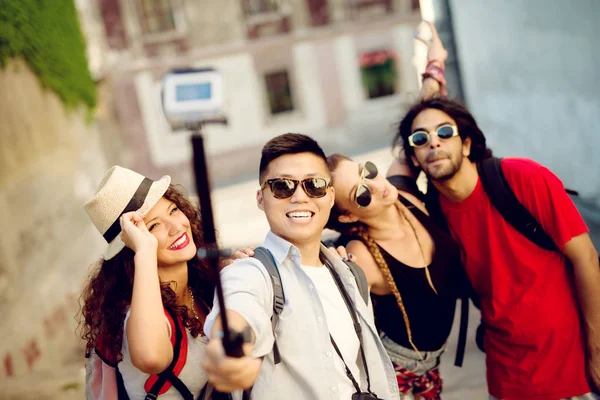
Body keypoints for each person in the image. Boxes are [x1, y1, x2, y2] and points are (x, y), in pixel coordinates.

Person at [394, 97, 600, 400]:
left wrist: (597, 353)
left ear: (465, 144)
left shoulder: (522, 177)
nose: (434, 143)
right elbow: (393, 179)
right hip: (507, 377)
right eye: (421, 138)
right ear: (413, 157)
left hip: (572, 370)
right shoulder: (433, 215)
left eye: (445, 132)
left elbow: (587, 260)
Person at [201, 133, 400, 400]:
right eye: (282, 186)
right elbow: (239, 307)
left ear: (330, 196)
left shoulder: (349, 274)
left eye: (314, 185)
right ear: (261, 198)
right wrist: (229, 348)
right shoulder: (249, 271)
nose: (299, 197)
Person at [325, 152, 466, 400]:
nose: (378, 186)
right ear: (348, 215)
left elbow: (406, 154)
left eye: (367, 171)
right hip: (396, 374)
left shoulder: (407, 198)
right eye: (361, 194)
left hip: (431, 366)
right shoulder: (360, 255)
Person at [80, 166, 219, 399]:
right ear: (130, 245)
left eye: (173, 210)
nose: (176, 227)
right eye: (153, 225)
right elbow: (152, 357)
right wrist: (144, 251)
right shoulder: (140, 315)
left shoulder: (201, 287)